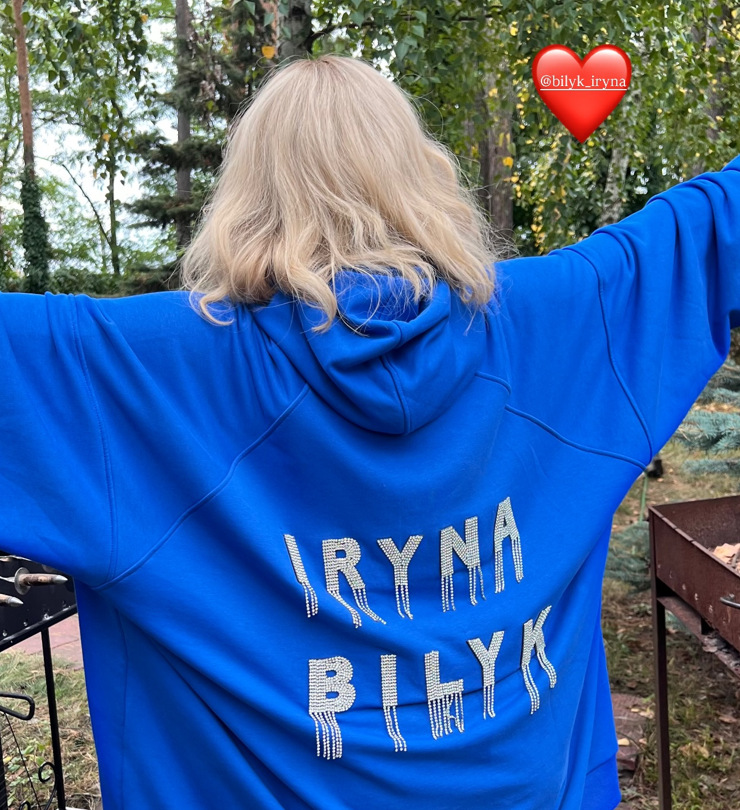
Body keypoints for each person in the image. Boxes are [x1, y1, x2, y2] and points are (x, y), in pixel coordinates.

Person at [1, 53, 738, 810]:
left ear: (247, 196)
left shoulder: (136, 374)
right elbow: (718, 221)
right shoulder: (562, 319)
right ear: (420, 175)